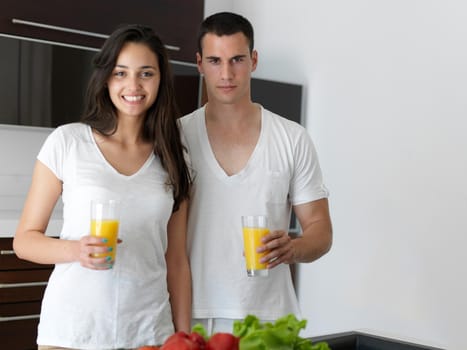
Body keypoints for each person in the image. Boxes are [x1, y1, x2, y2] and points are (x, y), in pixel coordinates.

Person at [13, 24, 192, 349]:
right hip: (72, 332)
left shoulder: (175, 156)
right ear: (106, 78)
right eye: (121, 73)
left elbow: (177, 259)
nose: (133, 85)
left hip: (149, 333)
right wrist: (74, 250)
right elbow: (24, 241)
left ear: (160, 80)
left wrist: (184, 338)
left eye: (146, 73)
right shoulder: (68, 142)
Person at [179, 12, 333, 333]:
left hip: (271, 317)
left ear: (254, 60)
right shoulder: (176, 136)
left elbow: (321, 231)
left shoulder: (292, 138)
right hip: (193, 314)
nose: (226, 73)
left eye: (237, 59)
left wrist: (293, 248)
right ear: (199, 63)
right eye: (214, 60)